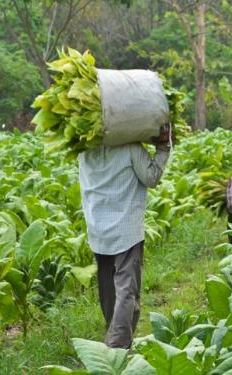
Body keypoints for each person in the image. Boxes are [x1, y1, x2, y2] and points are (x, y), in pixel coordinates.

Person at [78, 124, 172, 348]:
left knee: (108, 290)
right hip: (126, 229)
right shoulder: (130, 148)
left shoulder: (84, 151)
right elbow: (152, 177)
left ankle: (115, 334)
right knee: (127, 291)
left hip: (98, 229)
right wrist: (163, 148)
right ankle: (117, 347)